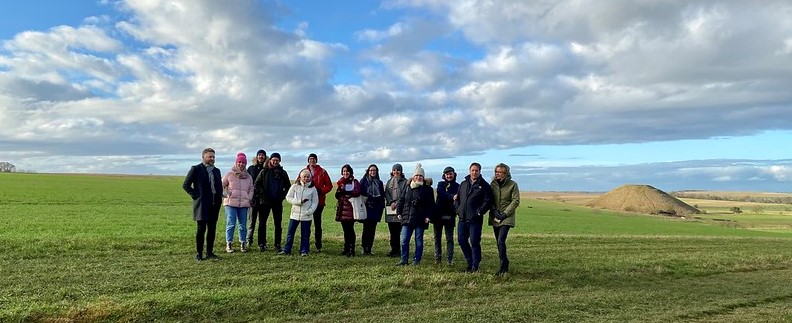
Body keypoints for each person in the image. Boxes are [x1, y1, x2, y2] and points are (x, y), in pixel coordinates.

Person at [182, 148, 223, 261]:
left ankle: (210, 252)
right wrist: (196, 195)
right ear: (203, 157)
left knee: (212, 228)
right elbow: (186, 185)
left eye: (213, 157)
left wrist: (220, 196)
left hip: (214, 203)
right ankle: (199, 253)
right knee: (201, 229)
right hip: (201, 204)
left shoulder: (216, 171)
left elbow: (218, 186)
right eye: (210, 156)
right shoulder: (196, 169)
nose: (212, 159)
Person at [455, 162, 492, 272]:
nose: (474, 172)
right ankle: (469, 261)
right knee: (461, 240)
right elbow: (457, 198)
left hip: (475, 219)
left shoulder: (484, 186)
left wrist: (479, 212)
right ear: (469, 171)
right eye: (472, 170)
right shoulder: (463, 184)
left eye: (476, 170)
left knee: (475, 241)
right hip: (462, 218)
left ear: (480, 171)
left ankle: (475, 266)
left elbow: (488, 201)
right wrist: (457, 209)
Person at [396, 164, 435, 266]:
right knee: (404, 240)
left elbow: (431, 205)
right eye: (416, 175)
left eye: (420, 176)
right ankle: (404, 259)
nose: (418, 177)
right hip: (407, 218)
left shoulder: (428, 189)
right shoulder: (408, 187)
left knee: (419, 241)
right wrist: (399, 212)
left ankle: (417, 260)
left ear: (423, 177)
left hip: (420, 219)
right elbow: (401, 200)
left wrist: (428, 216)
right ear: (413, 177)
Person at [253, 152, 291, 252]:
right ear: (270, 160)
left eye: (277, 160)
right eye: (273, 160)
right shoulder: (264, 171)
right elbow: (256, 184)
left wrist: (282, 196)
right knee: (262, 223)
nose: (275, 162)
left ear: (279, 161)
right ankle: (261, 243)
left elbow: (288, 187)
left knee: (278, 223)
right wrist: (263, 194)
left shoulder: (283, 173)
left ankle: (277, 244)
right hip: (265, 201)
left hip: (277, 202)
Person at [490, 163, 520, 275]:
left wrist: (505, 214)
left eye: (501, 172)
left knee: (501, 241)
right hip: (495, 216)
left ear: (506, 173)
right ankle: (505, 261)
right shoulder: (492, 184)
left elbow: (516, 201)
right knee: (498, 242)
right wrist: (493, 211)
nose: (498, 174)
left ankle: (503, 265)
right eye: (497, 172)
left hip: (507, 217)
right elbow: (489, 199)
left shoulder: (513, 185)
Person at [280, 169, 318, 256]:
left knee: (305, 234)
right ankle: (287, 249)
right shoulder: (294, 186)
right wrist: (298, 201)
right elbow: (288, 197)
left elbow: (315, 202)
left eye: (308, 177)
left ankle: (304, 250)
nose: (306, 178)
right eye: (304, 176)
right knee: (290, 233)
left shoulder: (313, 189)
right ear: (300, 177)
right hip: (294, 214)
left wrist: (310, 211)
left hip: (306, 215)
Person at [222, 152, 254, 253]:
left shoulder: (248, 177)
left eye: (243, 162)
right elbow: (221, 185)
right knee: (231, 223)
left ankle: (243, 243)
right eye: (239, 162)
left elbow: (251, 189)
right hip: (230, 203)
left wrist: (248, 197)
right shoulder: (229, 175)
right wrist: (226, 194)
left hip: (244, 204)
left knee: (242, 225)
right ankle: (229, 244)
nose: (241, 164)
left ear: (245, 164)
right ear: (236, 163)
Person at [303, 153, 332, 252]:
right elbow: (298, 183)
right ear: (308, 160)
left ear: (316, 160)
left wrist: (321, 191)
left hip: (319, 202)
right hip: (306, 202)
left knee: (317, 224)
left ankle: (318, 245)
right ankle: (305, 245)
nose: (312, 161)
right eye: (310, 159)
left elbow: (329, 186)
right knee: (306, 223)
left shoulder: (323, 171)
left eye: (314, 159)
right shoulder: (304, 171)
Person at [433, 166, 459, 265]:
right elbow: (441, 193)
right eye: (447, 174)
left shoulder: (457, 186)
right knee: (437, 237)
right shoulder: (440, 184)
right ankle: (437, 257)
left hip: (450, 215)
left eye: (450, 174)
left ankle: (450, 259)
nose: (449, 175)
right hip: (438, 214)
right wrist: (452, 197)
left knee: (449, 238)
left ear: (454, 174)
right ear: (444, 175)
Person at [335, 164, 361, 257]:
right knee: (345, 230)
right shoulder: (340, 182)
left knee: (350, 230)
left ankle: (352, 249)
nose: (345, 173)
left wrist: (347, 192)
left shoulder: (354, 182)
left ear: (350, 172)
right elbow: (337, 195)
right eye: (344, 171)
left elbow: (357, 192)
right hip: (342, 209)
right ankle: (346, 249)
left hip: (351, 209)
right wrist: (339, 193)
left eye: (347, 171)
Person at [359, 164, 385, 255]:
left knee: (372, 230)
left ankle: (369, 248)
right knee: (366, 229)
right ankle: (364, 247)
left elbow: (382, 196)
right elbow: (360, 194)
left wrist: (381, 208)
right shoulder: (363, 181)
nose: (372, 172)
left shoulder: (379, 183)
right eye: (371, 170)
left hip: (376, 209)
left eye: (374, 170)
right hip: (366, 208)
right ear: (368, 171)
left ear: (377, 172)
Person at [384, 164, 407, 257]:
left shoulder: (405, 182)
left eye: (398, 170)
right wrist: (391, 202)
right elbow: (386, 193)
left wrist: (397, 203)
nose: (396, 172)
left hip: (401, 209)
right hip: (391, 209)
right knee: (392, 231)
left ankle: (400, 250)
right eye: (394, 170)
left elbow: (405, 193)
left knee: (400, 231)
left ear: (401, 171)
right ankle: (393, 250)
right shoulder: (389, 181)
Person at [246, 149, 267, 247]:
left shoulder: (267, 168)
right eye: (259, 155)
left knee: (262, 222)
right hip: (253, 199)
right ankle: (248, 240)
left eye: (263, 155)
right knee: (252, 221)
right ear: (257, 156)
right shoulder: (251, 168)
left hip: (264, 199)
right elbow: (247, 182)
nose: (261, 157)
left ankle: (261, 242)